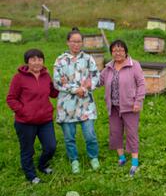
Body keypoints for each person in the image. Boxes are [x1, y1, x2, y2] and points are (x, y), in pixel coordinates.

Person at [6, 49, 58, 184]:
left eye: (40, 59)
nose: (37, 62)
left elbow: (53, 93)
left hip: (45, 120)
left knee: (51, 146)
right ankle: (31, 175)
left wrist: (60, 84)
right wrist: (23, 111)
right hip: (25, 122)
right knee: (27, 150)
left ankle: (42, 165)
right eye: (33, 59)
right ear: (27, 61)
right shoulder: (19, 78)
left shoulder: (46, 75)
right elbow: (11, 98)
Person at [53, 28, 101, 173]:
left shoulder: (88, 59)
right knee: (69, 137)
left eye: (79, 41)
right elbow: (57, 82)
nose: (76, 44)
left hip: (86, 104)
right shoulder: (60, 60)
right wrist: (76, 89)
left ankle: (93, 157)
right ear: (68, 42)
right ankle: (74, 160)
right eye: (73, 41)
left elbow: (95, 76)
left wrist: (85, 89)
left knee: (90, 134)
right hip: (67, 105)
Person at [100, 40, 145, 177]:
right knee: (115, 132)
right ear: (111, 53)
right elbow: (99, 81)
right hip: (113, 106)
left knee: (131, 133)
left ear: (125, 52)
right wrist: (85, 83)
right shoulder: (108, 67)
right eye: (114, 50)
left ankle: (135, 161)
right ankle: (121, 158)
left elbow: (142, 84)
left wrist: (138, 101)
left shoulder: (133, 65)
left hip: (130, 106)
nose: (117, 53)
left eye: (120, 50)